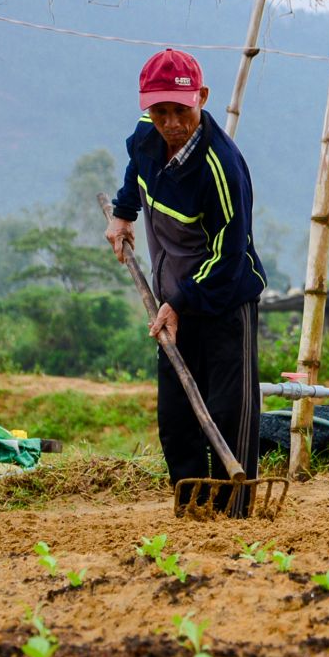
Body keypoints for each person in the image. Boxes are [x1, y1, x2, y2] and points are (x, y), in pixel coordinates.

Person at [105, 49, 266, 514]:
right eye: (160, 111)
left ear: (202, 98)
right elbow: (136, 170)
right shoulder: (146, 135)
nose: (171, 123)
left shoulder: (222, 167)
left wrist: (180, 302)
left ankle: (234, 512)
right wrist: (123, 214)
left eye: (181, 110)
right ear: (147, 108)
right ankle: (193, 509)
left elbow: (228, 254)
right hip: (172, 300)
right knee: (176, 418)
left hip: (224, 300)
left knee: (228, 412)